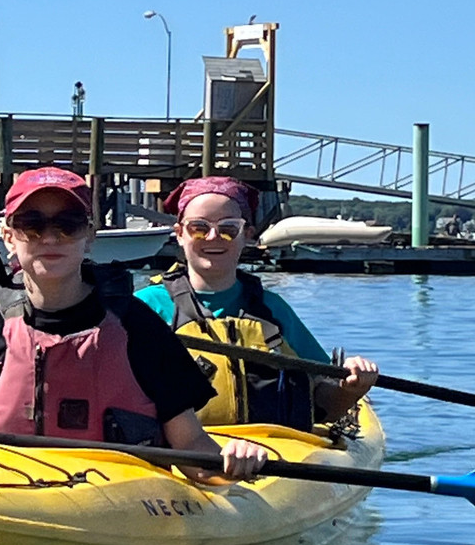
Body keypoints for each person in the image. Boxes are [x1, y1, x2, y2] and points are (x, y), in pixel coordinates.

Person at [0, 166, 268, 484]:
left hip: (122, 512)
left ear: (89, 237)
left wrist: (233, 460)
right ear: (9, 237)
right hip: (9, 497)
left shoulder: (136, 327)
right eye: (31, 224)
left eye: (68, 224)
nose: (50, 237)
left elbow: (190, 447)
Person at [135, 176, 378, 430]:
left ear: (247, 235)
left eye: (229, 229)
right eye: (199, 228)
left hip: (273, 452)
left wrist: (352, 388)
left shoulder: (273, 310)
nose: (213, 237)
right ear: (180, 234)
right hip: (180, 457)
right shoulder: (146, 307)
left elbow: (324, 406)